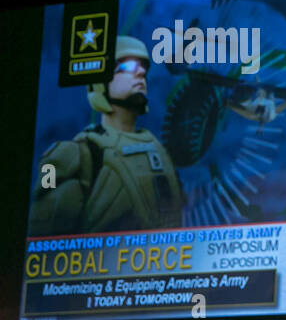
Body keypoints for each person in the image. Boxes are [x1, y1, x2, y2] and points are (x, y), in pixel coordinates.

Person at [29, 35, 183, 235]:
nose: (141, 73)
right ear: (100, 84)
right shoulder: (74, 155)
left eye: (143, 68)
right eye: (127, 67)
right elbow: (45, 245)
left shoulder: (158, 149)